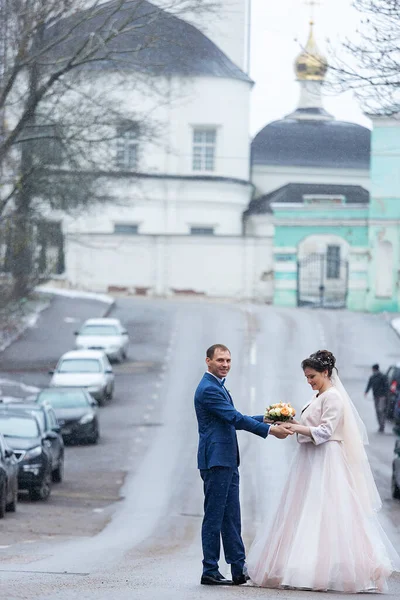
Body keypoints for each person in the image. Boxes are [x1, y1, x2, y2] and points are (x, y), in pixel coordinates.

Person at [247, 350, 399, 593]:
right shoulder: (320, 396)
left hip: (326, 459)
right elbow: (312, 426)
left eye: (312, 376)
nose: (309, 381)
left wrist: (295, 427)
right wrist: (292, 423)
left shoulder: (334, 398)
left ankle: (330, 570)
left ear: (326, 372)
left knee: (326, 513)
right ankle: (301, 565)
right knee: (303, 510)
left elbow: (325, 432)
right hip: (310, 459)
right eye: (307, 377)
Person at [194, 344, 293, 587]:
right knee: (215, 517)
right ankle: (209, 570)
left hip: (226, 460)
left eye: (228, 360)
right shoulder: (208, 389)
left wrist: (271, 417)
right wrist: (270, 429)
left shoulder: (217, 386)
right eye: (220, 360)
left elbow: (234, 417)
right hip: (216, 461)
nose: (225, 364)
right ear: (208, 361)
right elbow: (235, 418)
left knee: (231, 517)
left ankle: (238, 569)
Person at [365, 364, 389, 432]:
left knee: (380, 410)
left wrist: (385, 395)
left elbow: (386, 386)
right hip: (377, 396)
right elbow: (369, 384)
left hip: (382, 396)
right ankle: (381, 425)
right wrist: (366, 392)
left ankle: (382, 425)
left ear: (374, 369)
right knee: (378, 411)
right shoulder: (373, 377)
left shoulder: (382, 376)